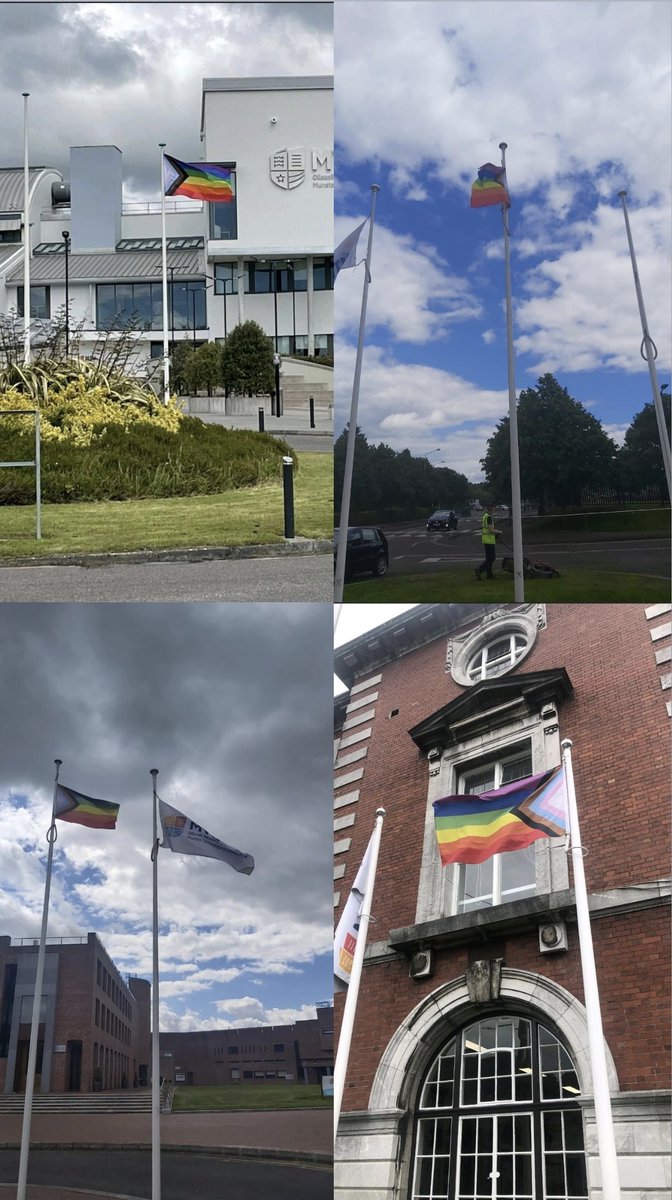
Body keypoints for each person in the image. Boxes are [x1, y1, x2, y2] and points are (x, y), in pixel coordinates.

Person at [475, 502, 500, 579]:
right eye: (494, 508)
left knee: (489, 558)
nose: (495, 509)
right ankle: (480, 569)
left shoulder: (485, 516)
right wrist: (498, 532)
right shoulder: (489, 517)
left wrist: (494, 530)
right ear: (491, 508)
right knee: (492, 558)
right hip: (489, 540)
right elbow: (490, 530)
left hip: (487, 539)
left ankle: (489, 575)